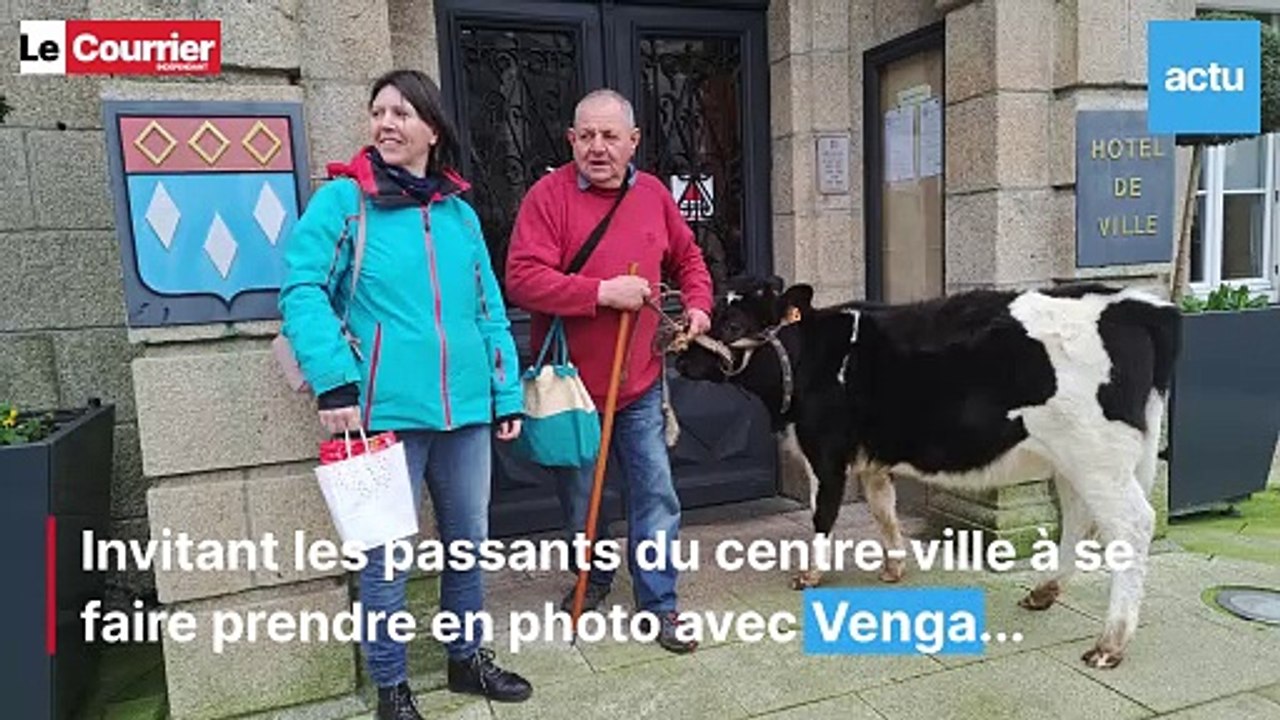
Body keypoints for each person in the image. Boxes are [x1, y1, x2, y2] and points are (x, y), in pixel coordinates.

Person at [279, 69, 533, 719]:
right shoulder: (343, 203)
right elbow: (301, 289)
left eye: (402, 112)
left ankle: (466, 659)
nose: (386, 123)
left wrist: (506, 393)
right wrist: (333, 380)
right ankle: (393, 686)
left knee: (467, 544)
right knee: (386, 560)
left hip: (467, 413)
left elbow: (487, 308)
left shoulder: (459, 214)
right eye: (378, 111)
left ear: (433, 129)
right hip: (381, 414)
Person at [504, 88, 714, 654]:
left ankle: (659, 602)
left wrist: (698, 303)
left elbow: (689, 257)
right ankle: (591, 577)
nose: (598, 148)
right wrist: (602, 292)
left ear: (633, 142)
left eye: (610, 136)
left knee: (655, 494)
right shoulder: (547, 198)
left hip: (639, 381)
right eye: (587, 136)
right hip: (573, 389)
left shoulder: (652, 196)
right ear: (571, 140)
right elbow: (521, 279)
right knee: (580, 499)